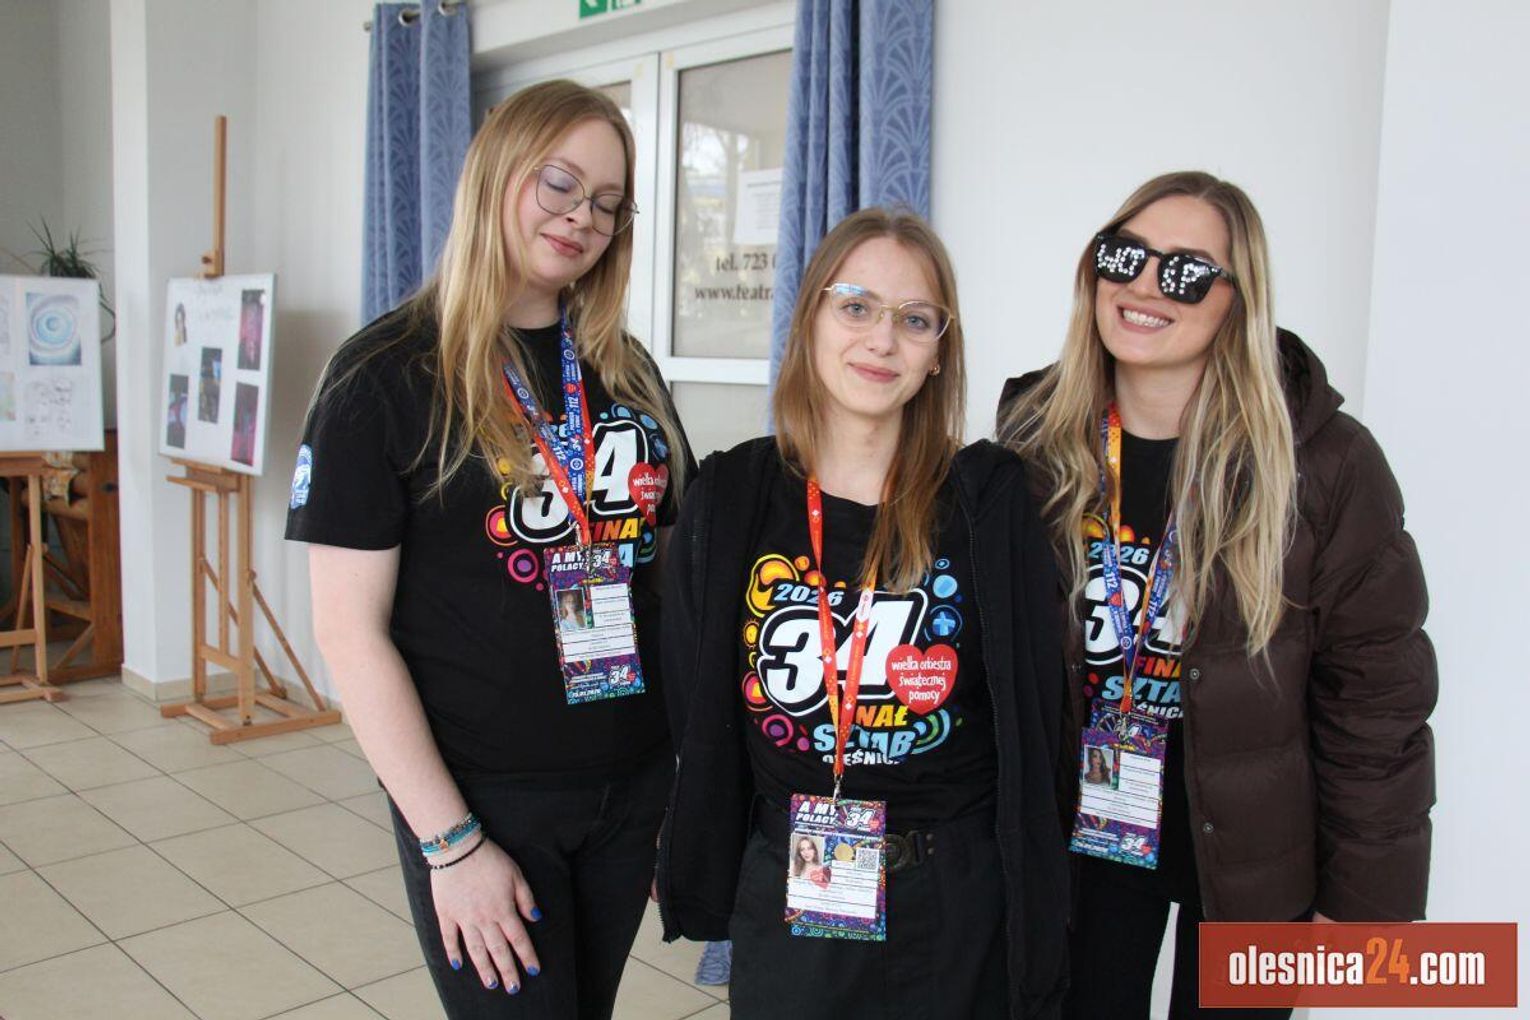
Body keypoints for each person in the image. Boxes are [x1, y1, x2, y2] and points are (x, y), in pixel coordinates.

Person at [286, 80, 692, 1019]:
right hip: (484, 801)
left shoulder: (627, 372)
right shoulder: (384, 376)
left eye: (607, 202)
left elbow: (672, 578)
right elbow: (348, 634)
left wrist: (683, 783)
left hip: (632, 784)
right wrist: (451, 843)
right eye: (560, 183)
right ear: (496, 172)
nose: (582, 218)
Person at [997, 171, 1436, 1019]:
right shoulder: (1033, 443)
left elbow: (1377, 700)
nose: (1144, 286)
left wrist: (1361, 906)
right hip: (1085, 840)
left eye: (1186, 271)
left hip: (1254, 859)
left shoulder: (1325, 463)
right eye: (1124, 255)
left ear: (1239, 299)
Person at [658, 207, 1069, 1019]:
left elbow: (1034, 712)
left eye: (914, 320)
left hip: (954, 897)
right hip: (797, 882)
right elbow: (691, 700)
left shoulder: (988, 503)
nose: (882, 341)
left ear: (938, 350)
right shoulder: (732, 497)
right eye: (856, 307)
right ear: (810, 318)